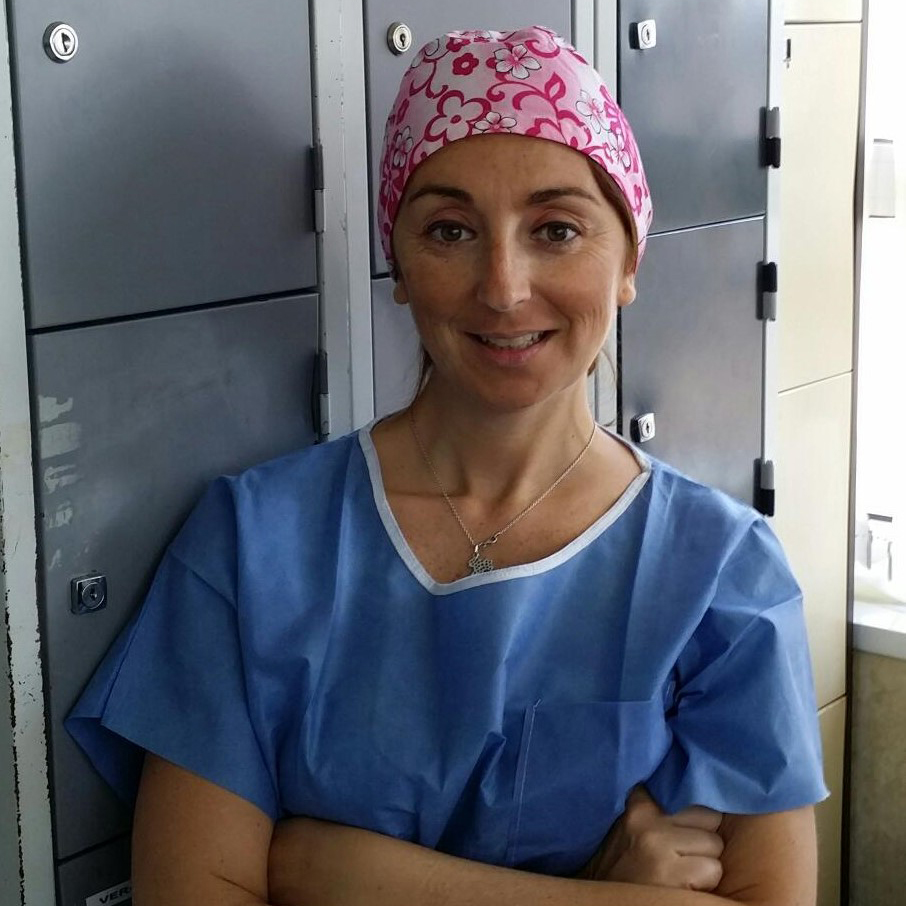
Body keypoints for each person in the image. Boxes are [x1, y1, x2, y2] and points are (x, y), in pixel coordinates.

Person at [67, 25, 828, 905]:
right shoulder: (251, 544)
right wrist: (604, 893)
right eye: (450, 230)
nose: (503, 287)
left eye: (556, 229)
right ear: (399, 264)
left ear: (629, 259)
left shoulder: (722, 578)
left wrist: (338, 873)